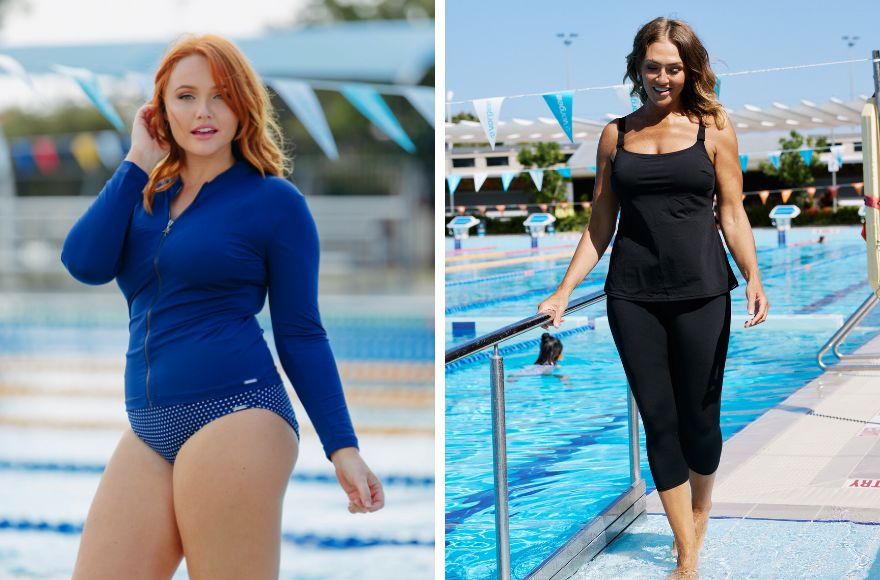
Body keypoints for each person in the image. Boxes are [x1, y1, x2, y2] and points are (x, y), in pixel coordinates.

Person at [61, 34, 384, 579]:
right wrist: (138, 160)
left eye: (221, 95)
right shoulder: (142, 194)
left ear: (244, 106)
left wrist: (342, 447)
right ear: (160, 108)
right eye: (185, 96)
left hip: (237, 415)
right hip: (148, 427)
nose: (203, 112)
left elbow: (301, 333)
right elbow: (83, 263)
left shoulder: (274, 201)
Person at [537, 17, 768, 576]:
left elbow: (731, 211)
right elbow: (600, 221)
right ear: (637, 69)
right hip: (632, 296)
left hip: (704, 291)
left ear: (689, 70)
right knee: (658, 419)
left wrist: (754, 275)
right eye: (652, 67)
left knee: (700, 417)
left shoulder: (713, 129)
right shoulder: (617, 134)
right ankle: (686, 551)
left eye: (673, 68)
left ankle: (701, 510)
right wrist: (565, 291)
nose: (662, 77)